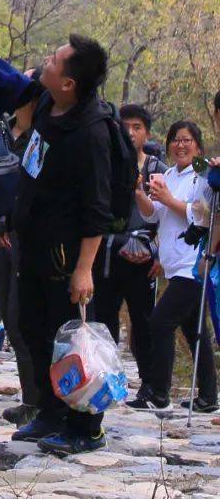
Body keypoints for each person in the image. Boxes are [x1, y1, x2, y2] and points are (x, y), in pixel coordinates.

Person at [0, 32, 114, 455]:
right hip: (32, 243)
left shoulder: (90, 133)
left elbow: (97, 210)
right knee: (32, 328)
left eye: (56, 59)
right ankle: (49, 411)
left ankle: (85, 426)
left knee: (70, 341)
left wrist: (84, 269)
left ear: (69, 83)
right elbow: (6, 83)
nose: (47, 59)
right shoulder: (46, 105)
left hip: (67, 255)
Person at [131, 119, 217, 414]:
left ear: (198, 145)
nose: (180, 145)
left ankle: (159, 392)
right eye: (175, 140)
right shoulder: (167, 174)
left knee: (160, 322)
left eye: (187, 140)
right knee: (195, 330)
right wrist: (141, 194)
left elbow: (204, 216)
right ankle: (208, 396)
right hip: (173, 264)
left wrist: (168, 198)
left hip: (193, 265)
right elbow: (153, 215)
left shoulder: (204, 175)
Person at [92, 104, 164, 399]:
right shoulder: (106, 163)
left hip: (141, 257)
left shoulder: (157, 169)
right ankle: (108, 383)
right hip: (105, 252)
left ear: (147, 132)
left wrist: (157, 252)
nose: (130, 133)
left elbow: (165, 216)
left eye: (137, 128)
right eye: (125, 127)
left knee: (143, 321)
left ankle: (149, 384)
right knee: (104, 321)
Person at [0, 92, 41, 426]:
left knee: (23, 318)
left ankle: (41, 402)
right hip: (8, 236)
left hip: (31, 241)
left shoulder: (43, 141)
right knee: (13, 319)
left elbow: (29, 191)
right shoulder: (16, 136)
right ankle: (32, 400)